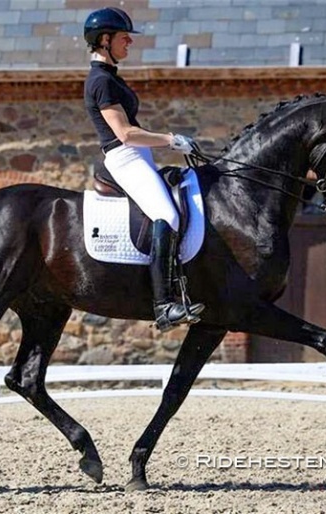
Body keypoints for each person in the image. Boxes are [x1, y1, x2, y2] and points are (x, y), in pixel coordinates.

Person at [83, 6, 205, 332]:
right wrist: (170, 139)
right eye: (124, 38)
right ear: (105, 40)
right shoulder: (100, 82)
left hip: (139, 157)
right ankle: (164, 305)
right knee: (168, 215)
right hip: (125, 157)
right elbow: (124, 133)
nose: (130, 44)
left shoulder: (111, 78)